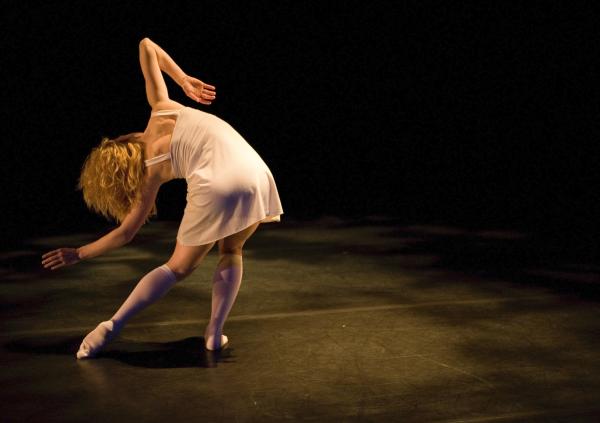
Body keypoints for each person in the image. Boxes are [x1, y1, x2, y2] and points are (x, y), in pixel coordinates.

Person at [41, 37, 283, 358]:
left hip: (220, 181)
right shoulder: (162, 107)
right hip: (256, 172)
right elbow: (146, 45)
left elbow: (126, 233)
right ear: (126, 140)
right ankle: (214, 332)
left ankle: (112, 325)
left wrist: (79, 253)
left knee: (178, 268)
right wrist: (182, 80)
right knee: (232, 248)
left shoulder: (152, 173)